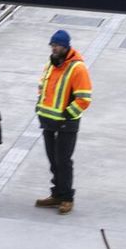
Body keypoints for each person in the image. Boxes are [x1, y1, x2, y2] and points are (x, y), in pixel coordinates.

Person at [34, 28, 92, 214]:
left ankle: (67, 197)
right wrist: (40, 106)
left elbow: (84, 98)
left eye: (57, 45)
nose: (54, 48)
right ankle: (57, 193)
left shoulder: (77, 68)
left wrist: (68, 114)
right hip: (49, 122)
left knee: (63, 161)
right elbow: (43, 87)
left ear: (66, 47)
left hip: (66, 124)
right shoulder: (51, 64)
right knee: (53, 160)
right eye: (52, 45)